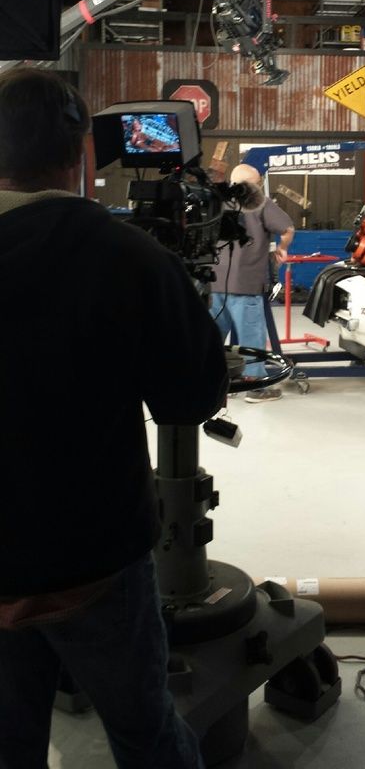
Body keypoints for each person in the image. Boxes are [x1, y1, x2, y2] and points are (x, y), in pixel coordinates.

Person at [0, 69, 228, 769]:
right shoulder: (128, 256)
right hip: (93, 562)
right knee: (145, 735)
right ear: (80, 155)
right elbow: (193, 397)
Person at [211, 162, 294, 404]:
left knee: (212, 337)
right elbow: (288, 228)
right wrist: (282, 249)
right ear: (253, 184)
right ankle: (255, 387)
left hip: (214, 284)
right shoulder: (260, 203)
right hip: (246, 285)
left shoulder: (217, 202)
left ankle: (211, 382)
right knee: (251, 338)